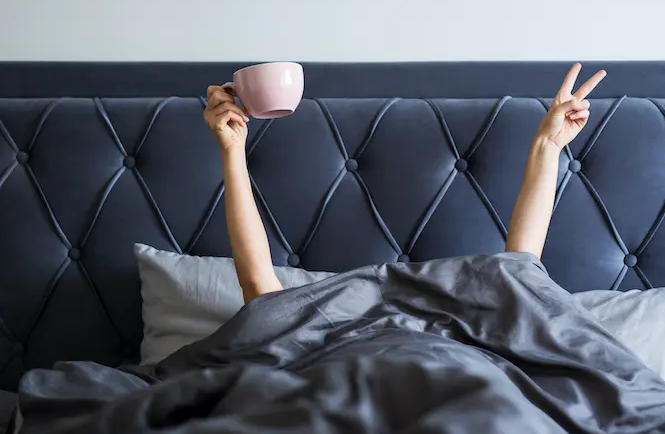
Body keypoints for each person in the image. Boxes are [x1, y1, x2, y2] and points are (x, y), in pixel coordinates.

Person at [203, 63, 606, 303]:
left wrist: (548, 146)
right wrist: (231, 150)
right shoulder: (321, 326)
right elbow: (259, 288)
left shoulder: (472, 330)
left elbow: (520, 273)